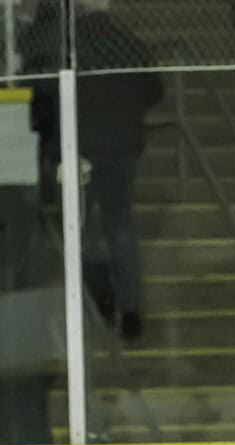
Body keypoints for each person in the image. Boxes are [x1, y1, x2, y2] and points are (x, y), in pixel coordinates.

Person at [25, 0, 162, 339]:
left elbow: (42, 88)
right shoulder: (130, 43)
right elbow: (154, 90)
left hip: (78, 152)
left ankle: (99, 298)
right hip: (123, 151)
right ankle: (131, 309)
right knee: (121, 223)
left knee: (80, 225)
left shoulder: (67, 47)